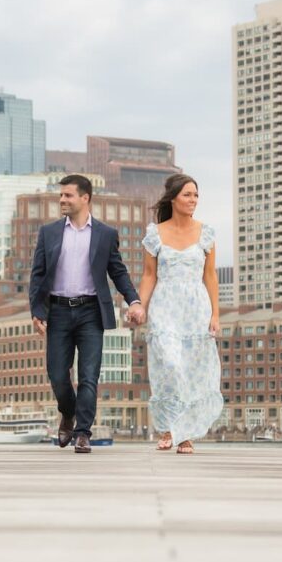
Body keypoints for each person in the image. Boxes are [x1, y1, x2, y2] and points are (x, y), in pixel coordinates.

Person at [28, 174, 145, 453]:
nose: (62, 200)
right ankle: (67, 413)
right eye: (61, 196)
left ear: (85, 198)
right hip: (57, 311)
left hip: (91, 311)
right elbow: (38, 275)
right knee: (57, 375)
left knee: (89, 375)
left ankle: (83, 432)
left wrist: (135, 301)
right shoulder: (49, 232)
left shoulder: (105, 234)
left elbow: (118, 271)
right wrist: (37, 311)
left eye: (68, 195)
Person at [136, 173, 224, 454]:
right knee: (169, 365)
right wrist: (139, 305)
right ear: (173, 198)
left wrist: (215, 314)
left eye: (196, 195)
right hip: (165, 307)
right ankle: (167, 426)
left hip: (196, 308)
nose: (193, 200)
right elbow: (149, 275)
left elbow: (210, 277)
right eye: (187, 195)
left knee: (191, 371)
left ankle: (183, 434)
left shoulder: (206, 233)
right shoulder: (155, 233)